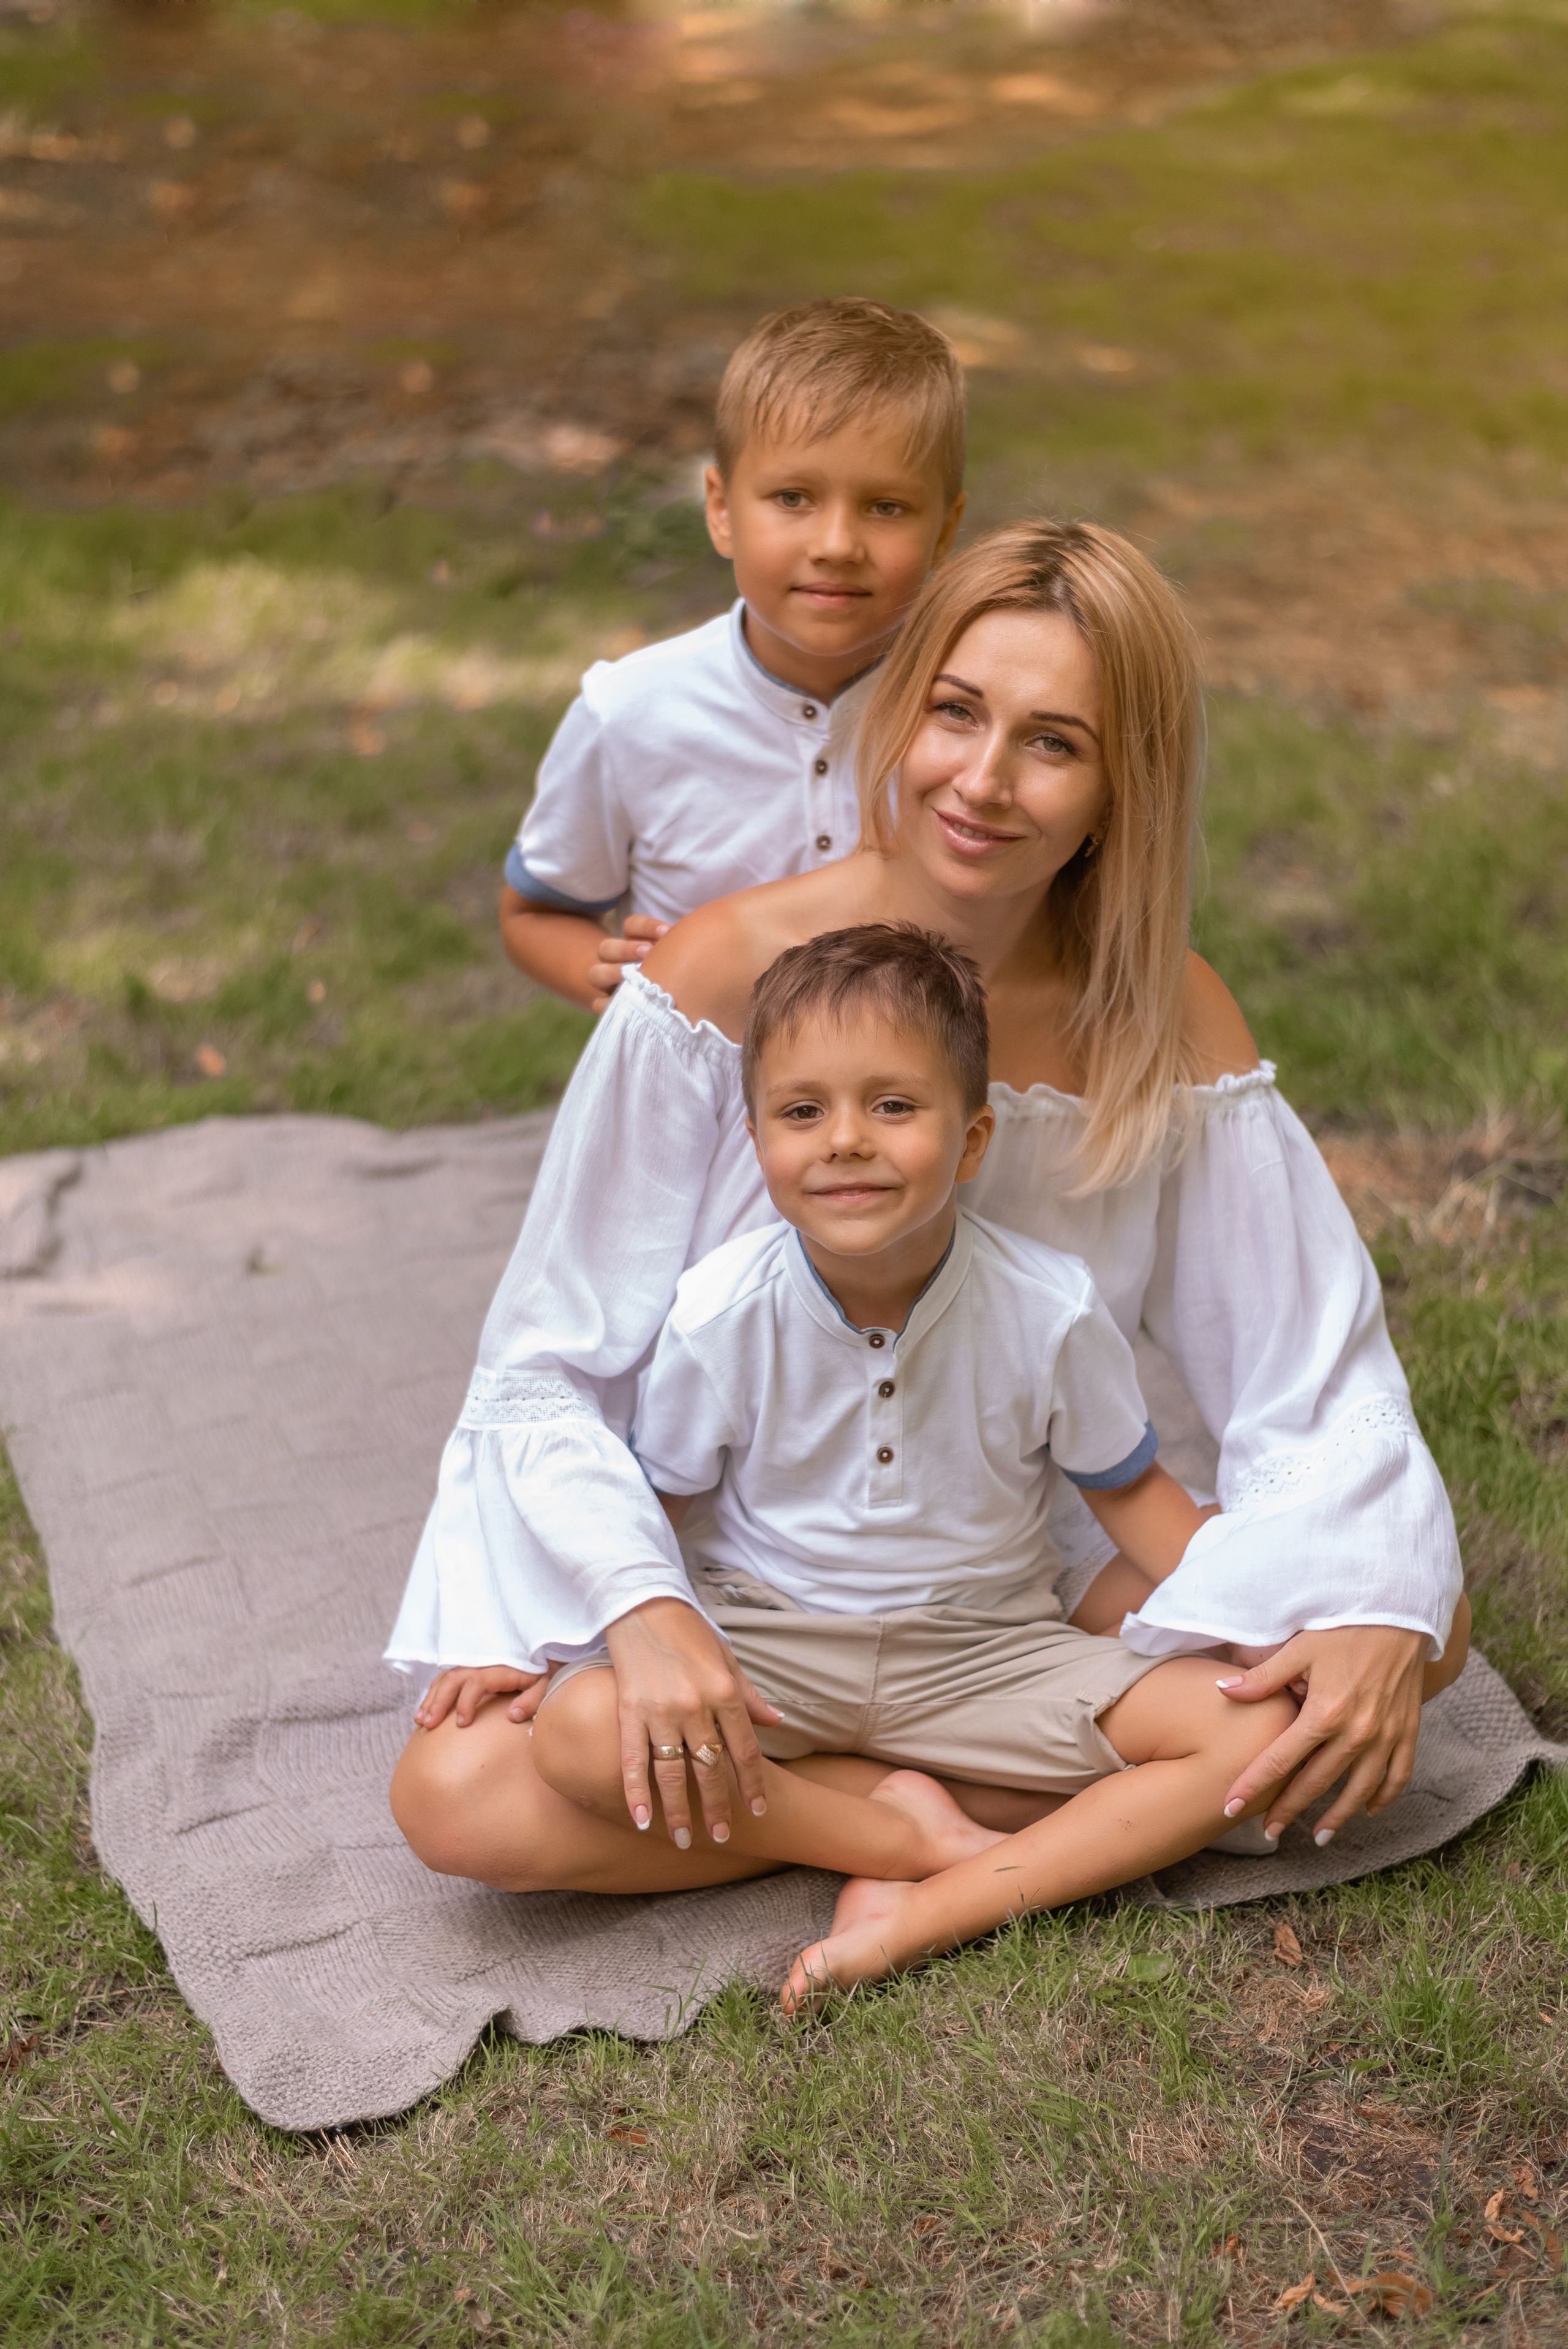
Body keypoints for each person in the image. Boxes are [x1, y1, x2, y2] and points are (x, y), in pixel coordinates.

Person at [388, 519, 1469, 1910]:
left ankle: (828, 1806)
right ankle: (935, 1823)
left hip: (1019, 1559)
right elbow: (551, 1356)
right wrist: (621, 1606)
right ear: (902, 710)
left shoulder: (1159, 1010)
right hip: (750, 1559)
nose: (982, 779)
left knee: (1392, 1647)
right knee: (456, 1792)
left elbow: (1301, 1356)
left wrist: (1371, 1595)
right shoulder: (731, 964)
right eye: (955, 712)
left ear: (1114, 786)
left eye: (1052, 741)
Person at [528, 923, 1300, 1931]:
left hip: (985, 1649)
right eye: (803, 1110)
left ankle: (936, 1910)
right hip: (771, 1644)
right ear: (759, 1141)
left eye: (893, 1105)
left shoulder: (1050, 1308)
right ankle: (906, 1838)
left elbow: (1130, 1493)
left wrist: (1279, 1617)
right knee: (580, 1730)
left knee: (1252, 1735)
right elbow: (656, 1508)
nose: (846, 1136)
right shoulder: (717, 1313)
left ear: (973, 1140)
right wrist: (536, 1632)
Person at [498, 298, 967, 1012]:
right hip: (697, 1113)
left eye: (886, 507)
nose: (837, 544)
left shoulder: (969, 715)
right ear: (720, 509)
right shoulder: (629, 713)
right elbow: (533, 911)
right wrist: (601, 973)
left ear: (944, 530)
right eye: (792, 497)